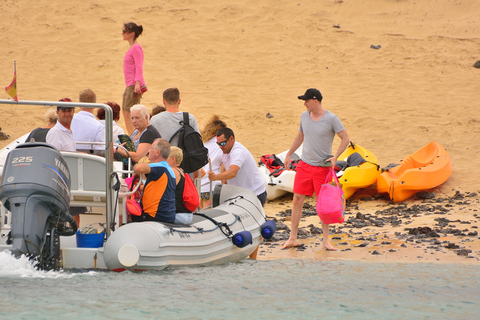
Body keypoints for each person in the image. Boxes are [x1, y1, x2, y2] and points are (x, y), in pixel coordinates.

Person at [282, 88, 349, 251]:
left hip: (322, 167)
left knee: (323, 203)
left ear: (315, 101)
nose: (304, 103)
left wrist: (336, 157)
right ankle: (293, 238)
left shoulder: (331, 119)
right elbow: (300, 137)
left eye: (306, 101)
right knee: (297, 199)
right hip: (304, 165)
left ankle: (326, 241)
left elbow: (345, 138)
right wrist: (289, 154)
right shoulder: (304, 116)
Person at [208, 127, 267, 207]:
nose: (220, 146)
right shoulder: (225, 152)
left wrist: (215, 177)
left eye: (222, 143)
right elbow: (225, 173)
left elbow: (233, 172)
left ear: (231, 139)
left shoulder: (238, 152)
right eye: (218, 144)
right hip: (241, 194)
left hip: (255, 193)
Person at [131, 138, 177, 224]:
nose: (148, 151)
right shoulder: (168, 169)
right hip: (167, 216)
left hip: (155, 217)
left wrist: (136, 171)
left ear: (157, 152)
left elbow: (138, 168)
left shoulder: (160, 167)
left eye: (151, 148)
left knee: (125, 215)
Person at [122, 22, 146, 135]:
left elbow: (139, 66)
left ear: (132, 34)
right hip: (130, 84)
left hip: (133, 84)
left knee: (130, 112)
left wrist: (137, 83)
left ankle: (134, 136)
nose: (122, 33)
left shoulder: (136, 47)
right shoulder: (132, 48)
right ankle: (132, 135)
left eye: (124, 31)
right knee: (126, 111)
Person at [199, 115, 227, 208]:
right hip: (211, 186)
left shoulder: (202, 142)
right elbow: (223, 168)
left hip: (198, 186)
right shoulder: (221, 145)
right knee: (209, 215)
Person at [71, 89, 105, 153]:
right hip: (87, 160)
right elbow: (99, 150)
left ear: (79, 105)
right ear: (94, 106)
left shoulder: (69, 119)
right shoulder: (98, 126)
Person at [166, 147, 195, 224]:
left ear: (173, 159)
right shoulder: (182, 172)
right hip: (187, 214)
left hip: (178, 215)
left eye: (166, 158)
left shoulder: (171, 171)